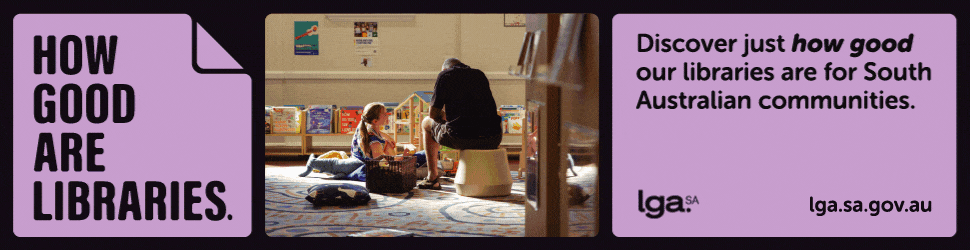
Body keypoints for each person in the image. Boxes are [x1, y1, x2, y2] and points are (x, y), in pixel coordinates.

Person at [418, 58, 503, 190]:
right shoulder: (479, 74)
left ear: (445, 69)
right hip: (493, 138)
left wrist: (445, 119)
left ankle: (432, 177)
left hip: (461, 138)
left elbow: (433, 115)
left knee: (426, 123)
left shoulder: (445, 75)